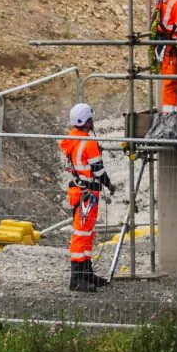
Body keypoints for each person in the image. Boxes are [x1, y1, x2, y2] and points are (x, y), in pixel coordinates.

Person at [61, 102, 113, 291]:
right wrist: (109, 184)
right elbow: (98, 171)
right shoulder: (88, 143)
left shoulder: (72, 139)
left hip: (79, 192)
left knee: (86, 233)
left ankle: (86, 273)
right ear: (88, 120)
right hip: (88, 193)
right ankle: (77, 279)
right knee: (82, 234)